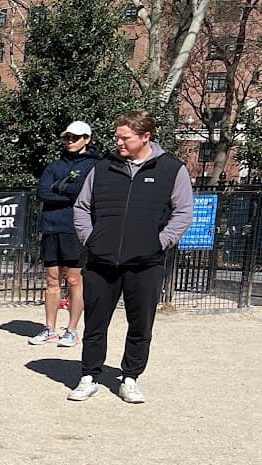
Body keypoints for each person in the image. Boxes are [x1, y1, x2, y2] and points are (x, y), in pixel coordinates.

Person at [68, 111, 193, 404]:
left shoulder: (172, 169)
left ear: (145, 137)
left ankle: (130, 378)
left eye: (125, 137)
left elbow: (183, 212)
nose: (119, 142)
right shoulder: (102, 167)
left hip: (146, 264)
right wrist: (91, 239)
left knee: (141, 325)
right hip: (101, 261)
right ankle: (89, 376)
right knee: (96, 323)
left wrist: (159, 243)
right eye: (117, 136)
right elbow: (82, 207)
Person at [31, 120, 95, 348]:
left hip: (76, 229)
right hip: (51, 227)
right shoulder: (54, 165)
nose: (70, 141)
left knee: (74, 279)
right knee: (51, 280)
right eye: (67, 137)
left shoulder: (94, 166)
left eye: (75, 137)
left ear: (87, 139)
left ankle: (72, 330)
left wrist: (59, 189)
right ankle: (49, 328)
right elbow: (42, 192)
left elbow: (83, 193)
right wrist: (65, 192)